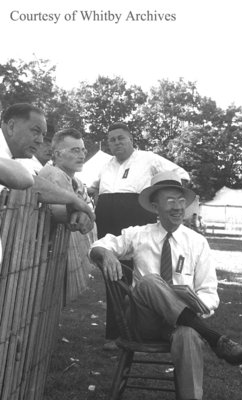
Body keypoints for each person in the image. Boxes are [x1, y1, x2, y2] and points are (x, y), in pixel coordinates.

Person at [90, 170, 242, 400]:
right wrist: (105, 254)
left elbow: (209, 292)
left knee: (188, 334)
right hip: (142, 322)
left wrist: (196, 304)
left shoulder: (197, 243)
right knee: (148, 283)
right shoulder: (139, 235)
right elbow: (100, 244)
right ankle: (214, 338)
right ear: (155, 207)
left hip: (179, 324)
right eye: (170, 201)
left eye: (181, 201)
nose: (178, 207)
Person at [88, 122, 190, 347]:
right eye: (112, 139)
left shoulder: (149, 158)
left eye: (120, 138)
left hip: (135, 216)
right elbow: (91, 187)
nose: (116, 143)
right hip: (107, 219)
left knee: (143, 274)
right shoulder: (105, 165)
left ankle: (153, 327)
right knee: (113, 275)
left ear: (131, 139)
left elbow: (181, 174)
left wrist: (166, 199)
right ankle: (114, 334)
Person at [0, 103, 95, 220]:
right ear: (11, 127)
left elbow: (34, 188)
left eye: (43, 135)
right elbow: (27, 181)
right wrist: (73, 199)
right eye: (35, 131)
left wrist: (72, 204)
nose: (40, 140)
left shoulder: (21, 159)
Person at [39, 128, 94, 234]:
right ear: (58, 154)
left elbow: (89, 209)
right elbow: (56, 211)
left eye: (83, 150)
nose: (82, 156)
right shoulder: (53, 174)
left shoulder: (77, 181)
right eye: (75, 150)